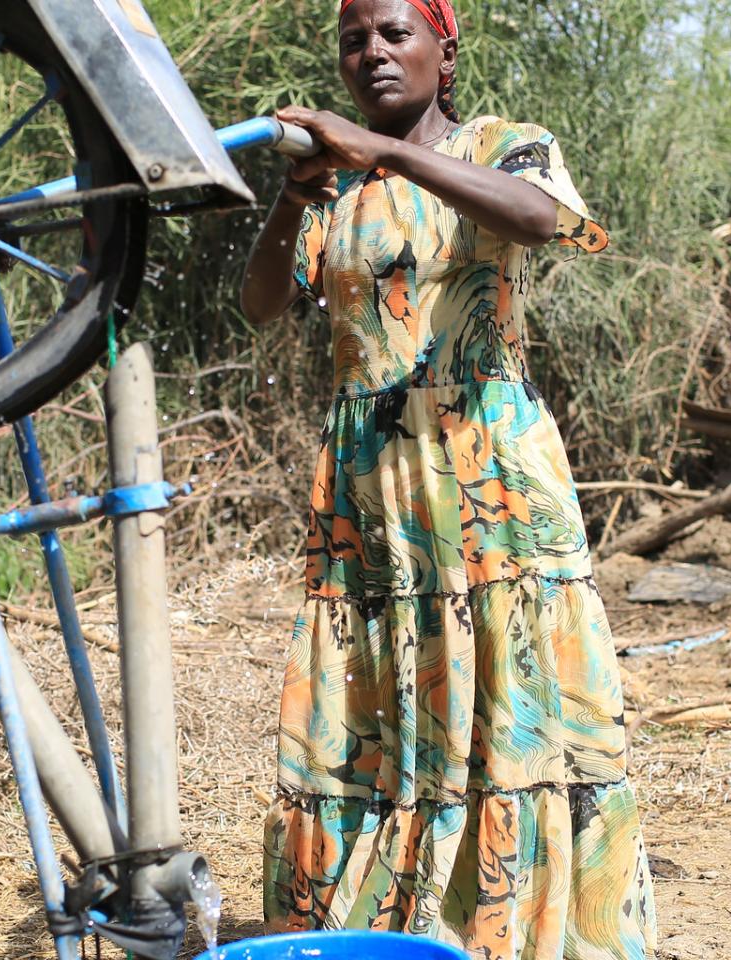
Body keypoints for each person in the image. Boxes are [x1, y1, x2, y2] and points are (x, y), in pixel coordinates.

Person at [237, 1, 657, 956]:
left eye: (394, 33)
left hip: (486, 469)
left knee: (509, 702)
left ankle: (511, 928)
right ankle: (397, 926)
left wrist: (379, 154)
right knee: (381, 709)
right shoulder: (335, 185)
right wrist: (295, 195)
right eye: (355, 41)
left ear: (444, 47)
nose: (373, 53)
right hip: (370, 485)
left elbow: (541, 220)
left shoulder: (505, 146)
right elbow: (262, 305)